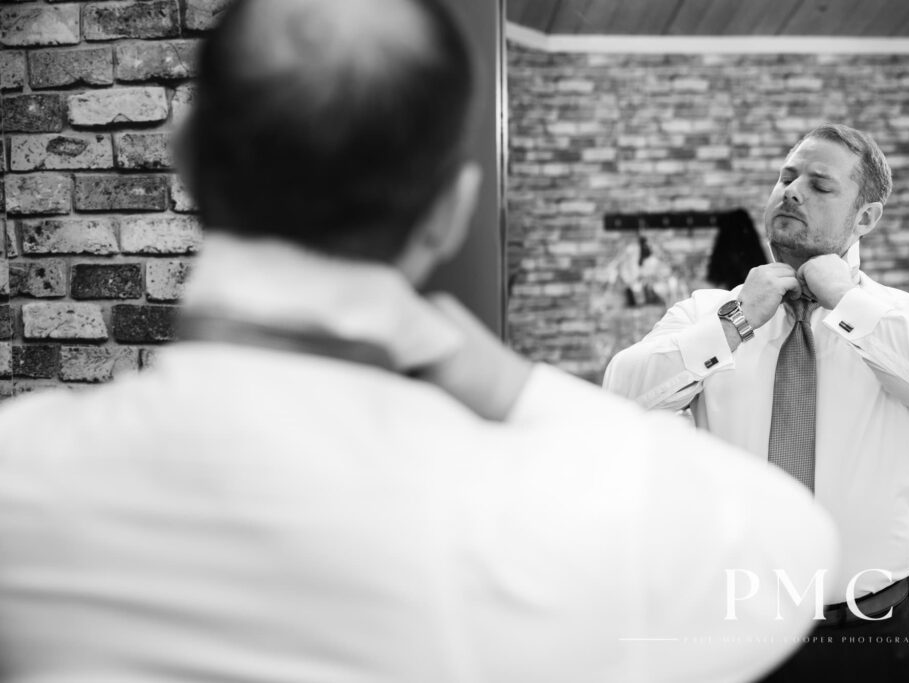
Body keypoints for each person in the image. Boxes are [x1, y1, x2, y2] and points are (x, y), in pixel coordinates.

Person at [0, 0, 838, 680]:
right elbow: (787, 550)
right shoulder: (543, 524)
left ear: (182, 154)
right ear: (450, 211)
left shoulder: (22, 476)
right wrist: (511, 382)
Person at [604, 123, 909, 683]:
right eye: (786, 177)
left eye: (819, 184)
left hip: (869, 637)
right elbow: (622, 394)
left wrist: (845, 298)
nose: (791, 191)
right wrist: (735, 322)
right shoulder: (708, 313)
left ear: (866, 218)